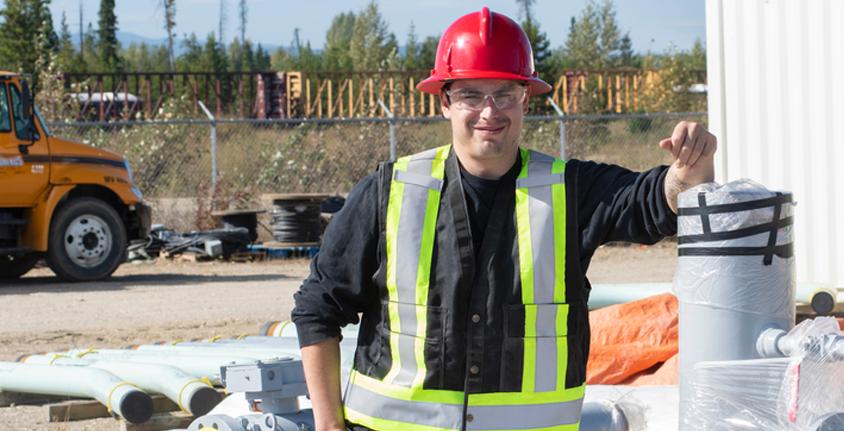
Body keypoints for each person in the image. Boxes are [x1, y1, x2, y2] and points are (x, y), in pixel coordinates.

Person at [292, 7, 716, 431]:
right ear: (445, 102)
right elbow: (318, 309)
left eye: (504, 94)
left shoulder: (569, 191)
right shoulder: (389, 192)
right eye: (471, 95)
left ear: (525, 100)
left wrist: (689, 170)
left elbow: (656, 199)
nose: (489, 112)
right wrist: (328, 426)